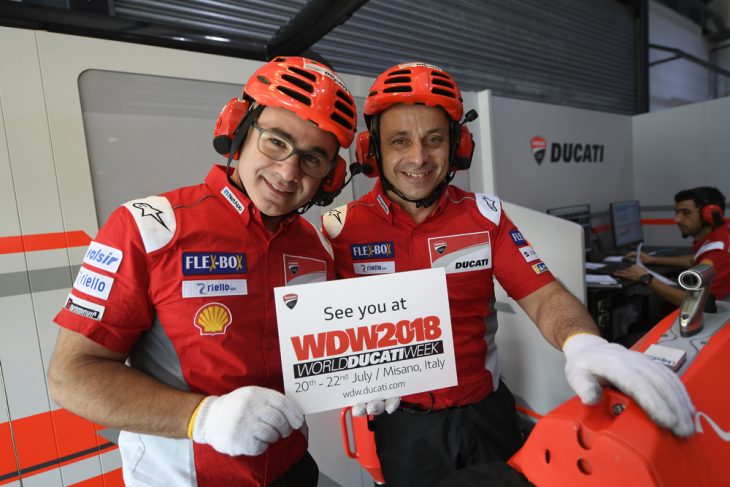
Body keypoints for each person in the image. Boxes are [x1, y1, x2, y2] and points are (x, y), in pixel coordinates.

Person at [322, 62, 695, 487]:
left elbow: (544, 295)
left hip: (486, 414)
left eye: (434, 140)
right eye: (399, 141)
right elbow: (312, 331)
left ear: (458, 146)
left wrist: (583, 343)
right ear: (372, 151)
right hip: (403, 425)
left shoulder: (485, 217)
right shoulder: (340, 228)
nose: (419, 158)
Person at [47, 56, 357, 486]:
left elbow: (333, 349)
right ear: (238, 130)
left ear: (331, 176)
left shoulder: (318, 247)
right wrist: (202, 416)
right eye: (276, 141)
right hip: (182, 479)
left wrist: (377, 381)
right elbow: (71, 376)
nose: (288, 171)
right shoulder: (148, 227)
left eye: (313, 158)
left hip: (291, 469)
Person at [616, 186, 729, 306]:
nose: (677, 219)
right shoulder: (722, 236)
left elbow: (695, 302)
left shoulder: (719, 252)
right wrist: (653, 260)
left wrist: (645, 277)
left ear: (709, 215)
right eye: (677, 213)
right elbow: (697, 261)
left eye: (685, 213)